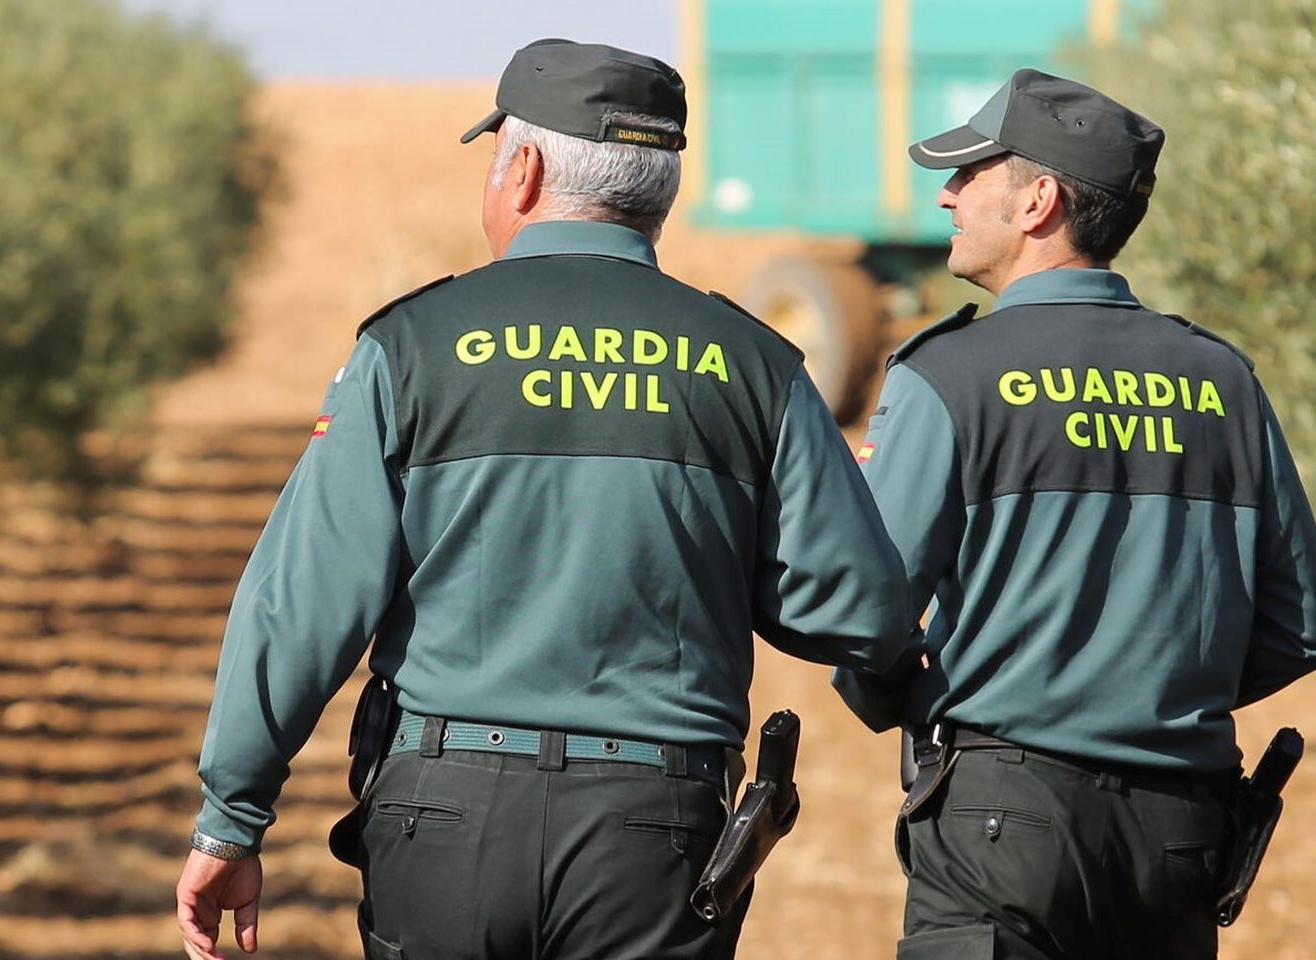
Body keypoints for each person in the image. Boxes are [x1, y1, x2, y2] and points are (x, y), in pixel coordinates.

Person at [175, 37, 911, 960]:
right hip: (658, 837)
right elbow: (861, 611)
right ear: (660, 191)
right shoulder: (756, 364)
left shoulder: (411, 346)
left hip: (443, 816)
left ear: (521, 170)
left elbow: (301, 603)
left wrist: (229, 819)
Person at [833, 68, 1316, 959]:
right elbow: (1299, 623)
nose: (947, 194)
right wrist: (1154, 692)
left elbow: (867, 612)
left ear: (1038, 200)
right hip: (1178, 833)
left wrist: (914, 702)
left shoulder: (950, 373)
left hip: (1002, 827)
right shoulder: (1225, 381)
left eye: (970, 173)